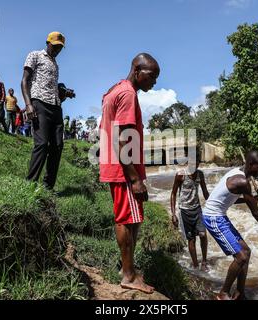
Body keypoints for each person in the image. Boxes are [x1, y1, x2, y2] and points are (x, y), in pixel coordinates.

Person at [99, 53, 160, 294]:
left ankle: (128, 268)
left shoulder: (116, 89)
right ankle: (129, 275)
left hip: (116, 166)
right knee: (127, 219)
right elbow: (123, 138)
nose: (154, 82)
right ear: (137, 70)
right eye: (151, 76)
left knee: (129, 218)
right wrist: (135, 178)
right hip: (125, 170)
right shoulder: (128, 94)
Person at [202, 151, 258, 300]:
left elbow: (228, 199)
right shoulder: (242, 182)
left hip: (220, 215)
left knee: (246, 252)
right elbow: (256, 214)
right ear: (251, 164)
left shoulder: (239, 174)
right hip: (213, 217)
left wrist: (254, 199)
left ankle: (240, 292)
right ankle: (223, 293)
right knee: (241, 257)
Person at [22, 32, 75, 190]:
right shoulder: (35, 55)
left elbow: (52, 89)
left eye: (60, 48)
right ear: (48, 42)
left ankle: (48, 187)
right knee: (42, 144)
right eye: (55, 46)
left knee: (57, 146)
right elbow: (24, 81)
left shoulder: (55, 64)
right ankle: (30, 185)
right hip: (39, 103)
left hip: (56, 106)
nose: (57, 50)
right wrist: (28, 104)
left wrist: (64, 93)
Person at [171, 154, 209, 271]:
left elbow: (205, 192)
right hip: (184, 210)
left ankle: (204, 261)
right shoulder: (180, 175)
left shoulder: (200, 175)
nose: (194, 165)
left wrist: (215, 205)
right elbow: (173, 194)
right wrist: (173, 214)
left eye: (196, 163)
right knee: (191, 238)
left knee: (203, 235)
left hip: (197, 209)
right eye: (192, 163)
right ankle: (195, 264)